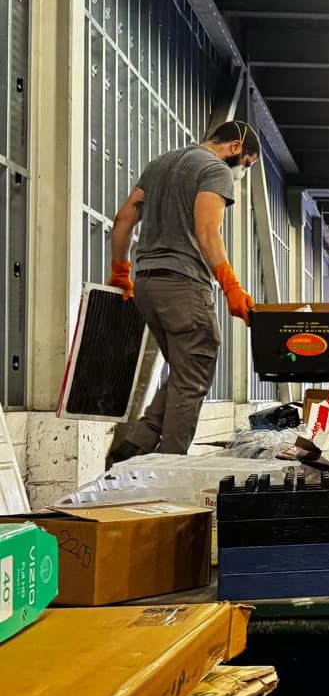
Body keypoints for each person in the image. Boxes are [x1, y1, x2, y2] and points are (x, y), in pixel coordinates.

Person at [105, 120, 260, 462]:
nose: (241, 172)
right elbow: (207, 234)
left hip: (146, 283)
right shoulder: (214, 169)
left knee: (183, 370)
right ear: (236, 148)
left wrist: (120, 270)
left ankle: (137, 443)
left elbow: (123, 220)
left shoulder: (159, 164)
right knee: (194, 376)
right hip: (183, 284)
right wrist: (231, 286)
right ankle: (168, 467)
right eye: (246, 165)